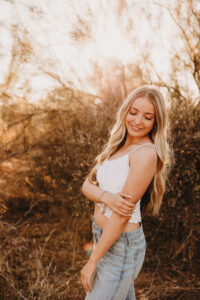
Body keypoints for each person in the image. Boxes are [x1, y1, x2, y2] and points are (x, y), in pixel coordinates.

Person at [80, 86, 173, 300]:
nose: (138, 121)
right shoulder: (117, 145)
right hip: (103, 237)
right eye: (133, 112)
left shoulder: (146, 153)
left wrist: (92, 260)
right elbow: (87, 185)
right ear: (125, 111)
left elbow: (122, 215)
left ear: (156, 122)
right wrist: (106, 197)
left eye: (148, 117)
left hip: (121, 246)